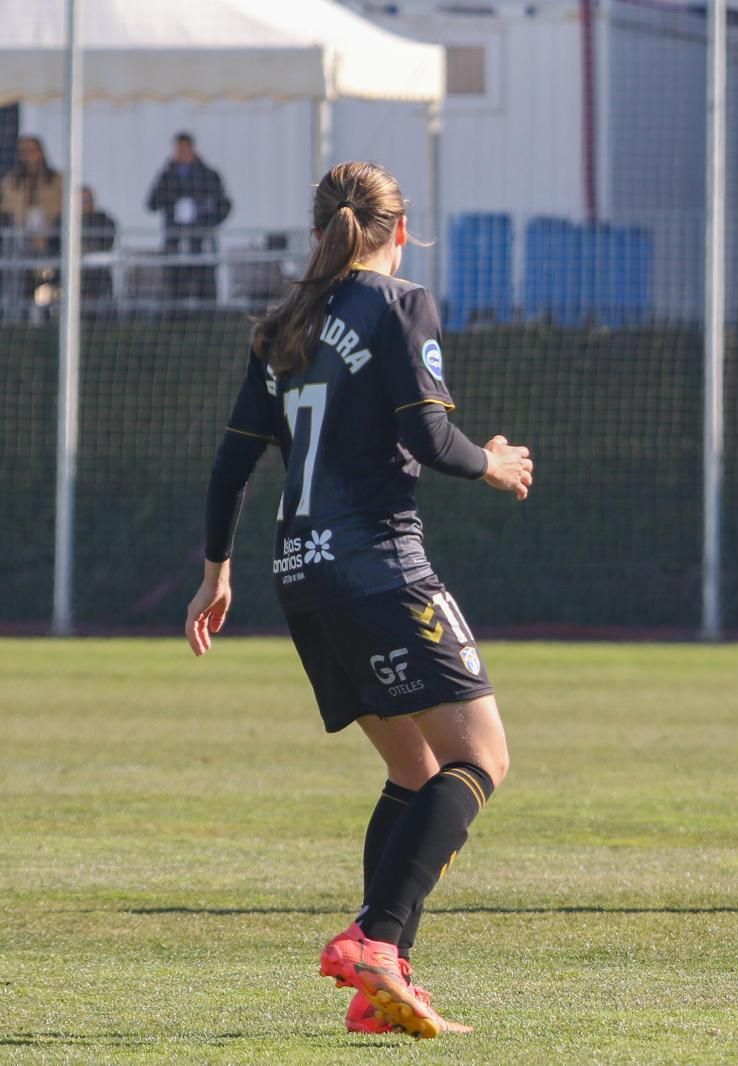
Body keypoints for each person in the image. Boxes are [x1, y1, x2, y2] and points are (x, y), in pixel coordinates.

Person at [183, 160, 534, 1038]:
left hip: (298, 576)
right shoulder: (398, 304)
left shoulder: (282, 327)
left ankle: (384, 980)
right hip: (379, 564)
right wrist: (492, 461)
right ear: (401, 229)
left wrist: (215, 571)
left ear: (320, 233)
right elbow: (429, 434)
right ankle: (378, 941)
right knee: (482, 757)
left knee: (414, 772)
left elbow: (232, 465)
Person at [146, 131, 232, 303]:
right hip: (175, 241)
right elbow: (152, 203)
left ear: (192, 149)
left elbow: (224, 205)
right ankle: (174, 322)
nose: (181, 153)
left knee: (205, 286)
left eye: (185, 149)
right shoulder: (167, 176)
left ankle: (208, 320)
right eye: (178, 150)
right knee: (175, 287)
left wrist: (207, 221)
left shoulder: (208, 175)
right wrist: (172, 201)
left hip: (201, 241)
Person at [0, 135, 64, 311]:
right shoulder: (12, 182)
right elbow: (5, 210)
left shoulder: (56, 180)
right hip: (20, 240)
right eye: (24, 152)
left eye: (32, 151)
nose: (28, 156)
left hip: (50, 239)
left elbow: (63, 208)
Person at [79, 186, 118, 306]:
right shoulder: (65, 220)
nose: (84, 205)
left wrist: (88, 249)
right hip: (74, 271)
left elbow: (107, 242)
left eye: (86, 201)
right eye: (80, 202)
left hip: (97, 272)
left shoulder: (103, 220)